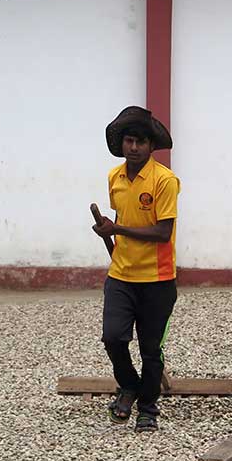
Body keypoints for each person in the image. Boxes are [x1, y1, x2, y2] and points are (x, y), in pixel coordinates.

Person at [92, 105, 180, 432]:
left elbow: (162, 232)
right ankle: (129, 385)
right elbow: (121, 219)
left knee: (150, 350)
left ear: (150, 145)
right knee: (113, 338)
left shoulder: (165, 181)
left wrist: (119, 230)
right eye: (128, 140)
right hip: (121, 275)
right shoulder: (114, 177)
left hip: (157, 279)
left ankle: (148, 407)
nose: (133, 147)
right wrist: (108, 226)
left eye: (140, 142)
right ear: (121, 144)